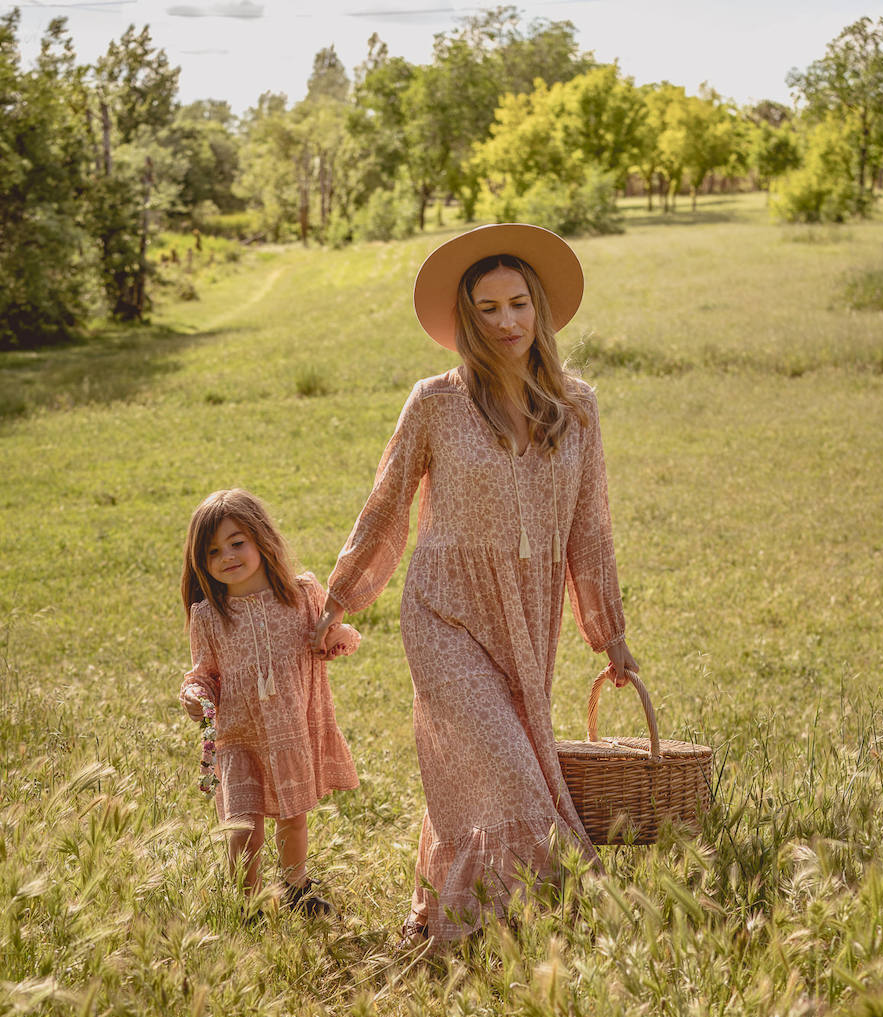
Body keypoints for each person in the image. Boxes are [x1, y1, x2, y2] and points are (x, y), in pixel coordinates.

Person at [312, 223, 638, 949]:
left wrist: (609, 632)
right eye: (487, 309)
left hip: (527, 611)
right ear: (466, 318)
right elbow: (387, 506)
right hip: (443, 610)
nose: (506, 323)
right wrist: (340, 598)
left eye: (518, 304)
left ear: (540, 309)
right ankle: (493, 924)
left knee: (476, 767)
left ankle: (438, 905)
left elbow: (591, 529)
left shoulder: (577, 406)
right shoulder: (435, 402)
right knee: (505, 762)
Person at [179, 488, 360, 914]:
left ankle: (297, 888)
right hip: (240, 737)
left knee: (293, 818)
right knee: (244, 829)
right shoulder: (210, 616)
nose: (227, 556)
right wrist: (195, 694)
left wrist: (333, 639)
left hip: (291, 730)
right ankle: (250, 904)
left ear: (261, 537)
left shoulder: (301, 596)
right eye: (212, 551)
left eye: (236, 542)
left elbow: (332, 637)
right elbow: (205, 673)